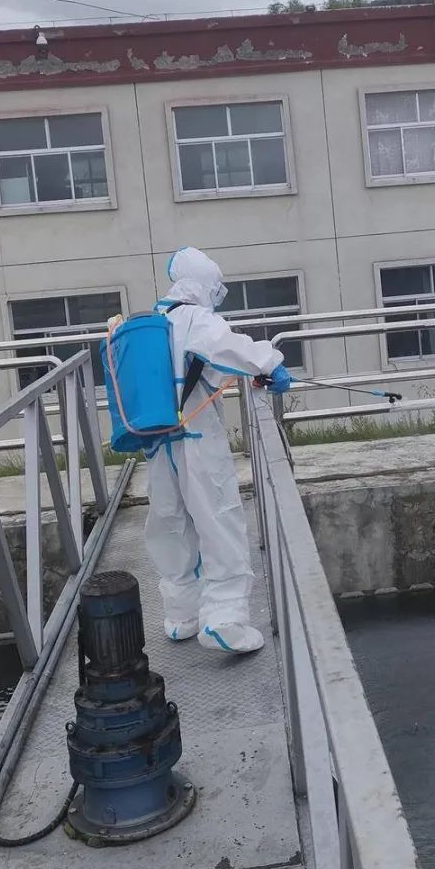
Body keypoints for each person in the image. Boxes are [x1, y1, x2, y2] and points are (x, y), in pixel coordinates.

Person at [143, 247, 292, 654]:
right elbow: (227, 347)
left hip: (157, 443)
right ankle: (225, 620)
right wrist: (269, 364)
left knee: (171, 526)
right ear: (204, 284)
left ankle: (182, 616)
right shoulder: (194, 318)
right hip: (196, 439)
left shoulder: (155, 321)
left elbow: (201, 365)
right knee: (219, 520)